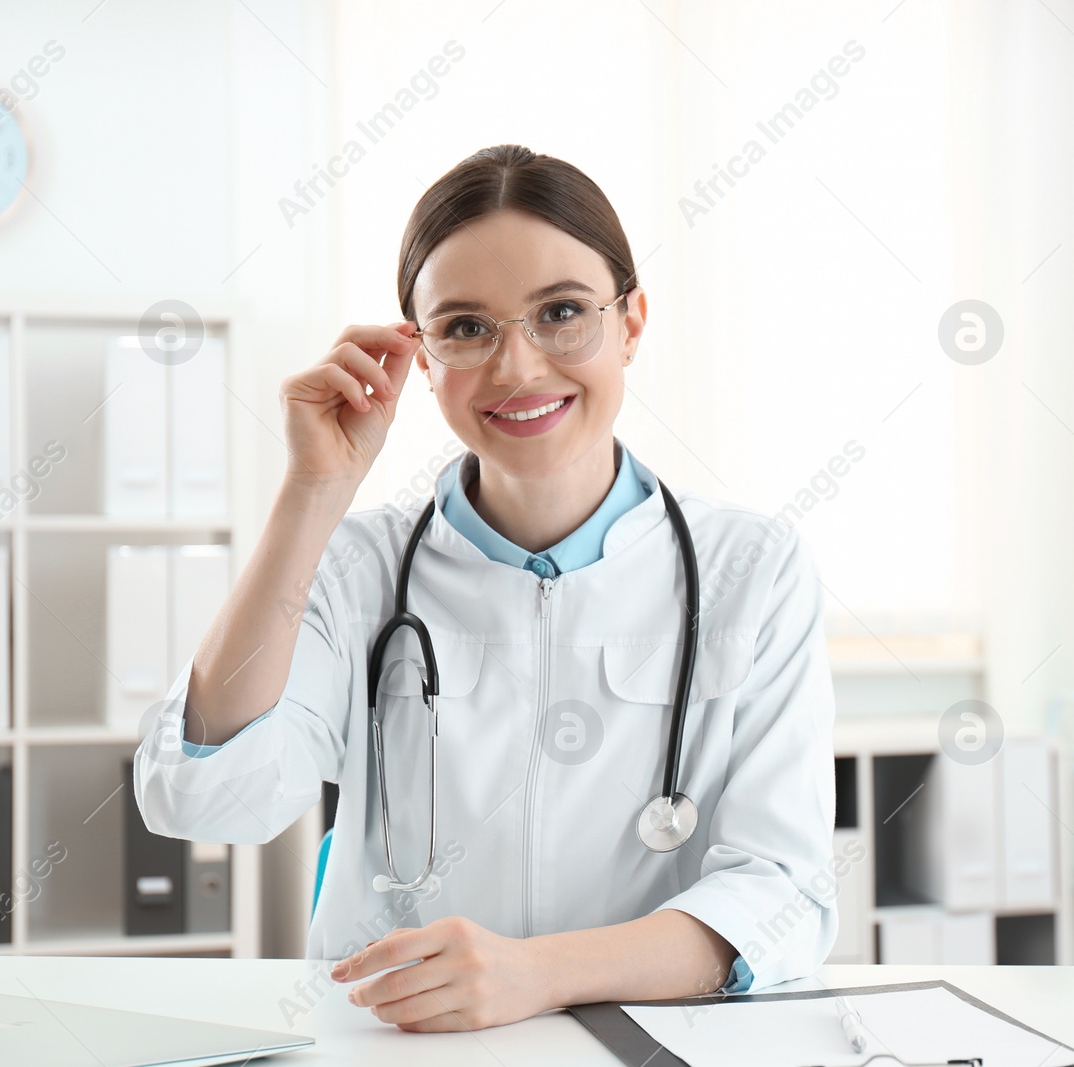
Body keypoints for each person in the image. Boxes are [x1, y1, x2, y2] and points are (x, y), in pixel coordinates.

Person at [134, 144, 838, 1032]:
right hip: (398, 1049)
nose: (516, 368)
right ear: (418, 357)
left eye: (563, 313)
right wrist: (312, 492)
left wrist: (536, 973)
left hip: (649, 1046)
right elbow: (203, 799)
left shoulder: (754, 569)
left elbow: (781, 896)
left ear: (632, 323)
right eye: (466, 327)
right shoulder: (355, 568)